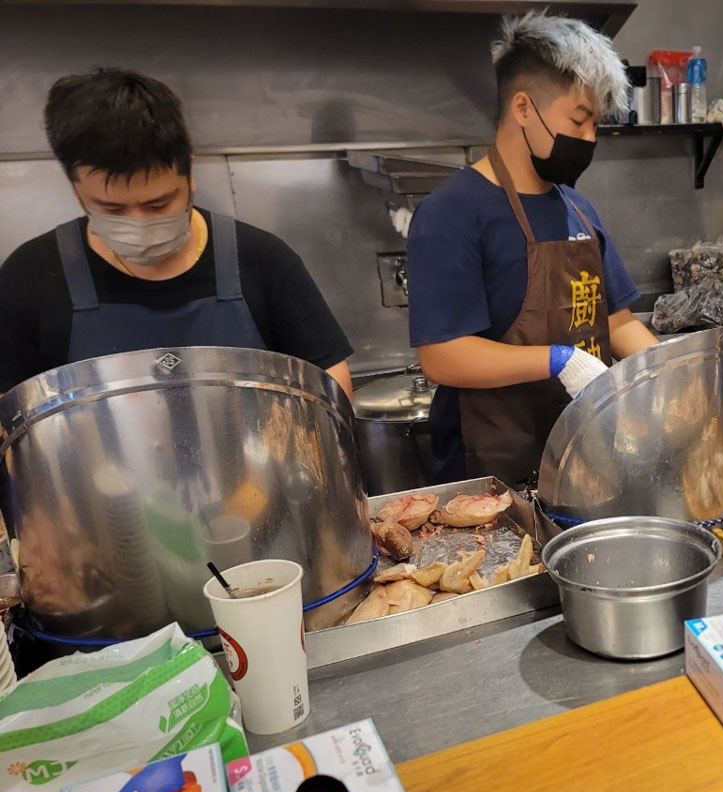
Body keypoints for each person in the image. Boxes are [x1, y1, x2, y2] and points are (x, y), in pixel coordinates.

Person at [406, 12, 657, 486]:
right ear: (523, 108)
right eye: (578, 121)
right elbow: (442, 355)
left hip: (586, 459)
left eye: (595, 126)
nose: (588, 140)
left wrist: (679, 381)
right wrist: (557, 359)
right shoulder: (452, 212)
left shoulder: (577, 208)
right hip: (493, 473)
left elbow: (618, 322)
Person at [0, 69, 353, 398]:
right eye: (112, 210)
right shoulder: (30, 277)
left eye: (158, 205)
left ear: (189, 174)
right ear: (76, 189)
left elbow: (330, 383)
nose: (139, 223)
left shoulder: (262, 259)